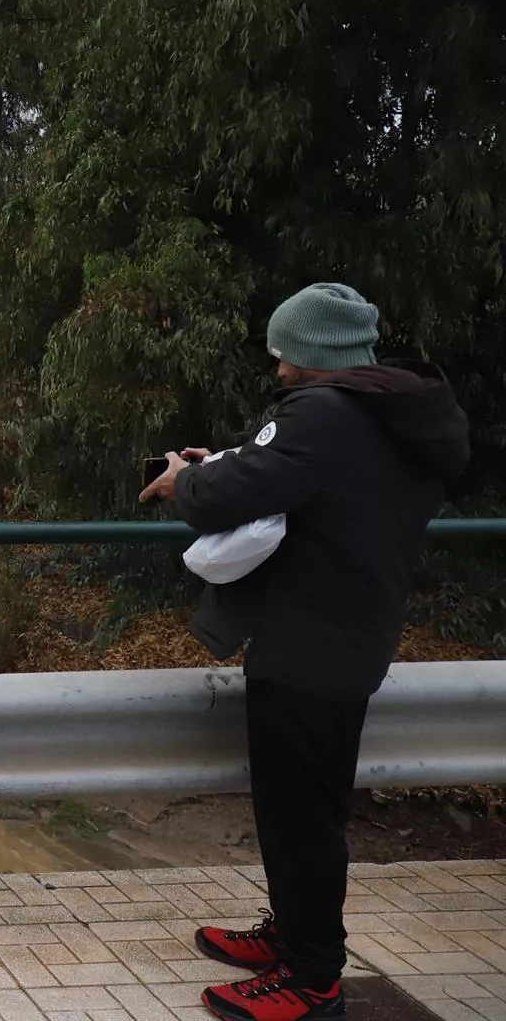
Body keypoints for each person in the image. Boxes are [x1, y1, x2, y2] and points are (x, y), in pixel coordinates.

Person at [141, 283, 469, 1021]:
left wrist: (185, 479)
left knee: (300, 818)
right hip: (350, 633)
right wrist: (222, 462)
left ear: (315, 353)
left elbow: (241, 492)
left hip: (309, 645)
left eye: (286, 353)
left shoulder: (324, 413)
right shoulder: (393, 413)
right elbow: (302, 479)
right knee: (304, 807)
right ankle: (293, 937)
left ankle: (312, 979)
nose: (280, 369)